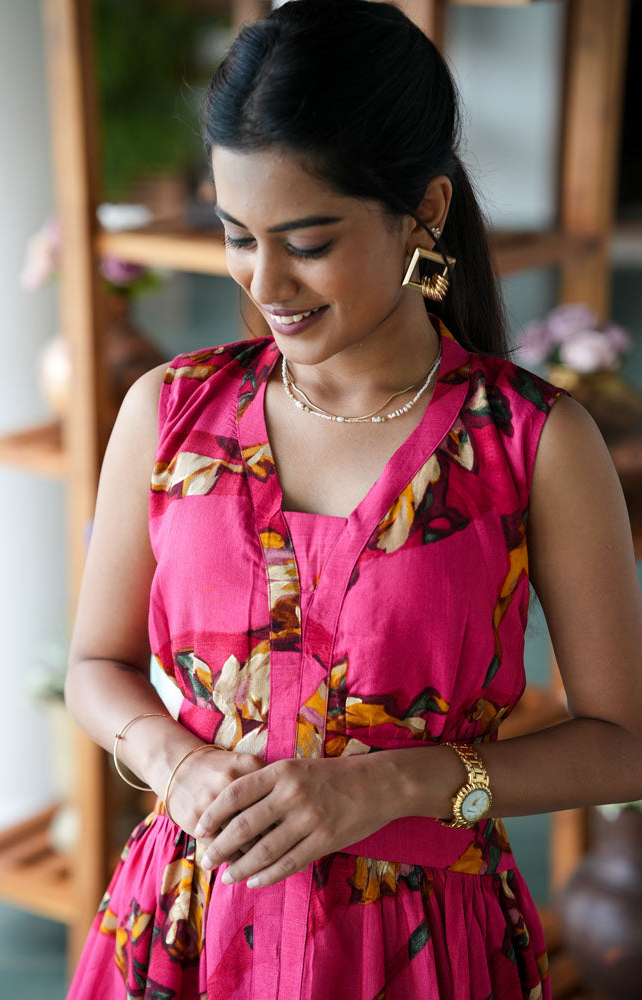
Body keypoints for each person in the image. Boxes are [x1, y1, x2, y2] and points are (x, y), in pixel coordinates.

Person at [64, 2, 642, 998]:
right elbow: (95, 665)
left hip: (424, 947)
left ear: (423, 209)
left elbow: (623, 746)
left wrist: (397, 782)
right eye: (237, 235)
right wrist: (175, 762)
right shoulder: (169, 412)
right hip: (183, 926)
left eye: (307, 241)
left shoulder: (532, 442)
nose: (266, 281)